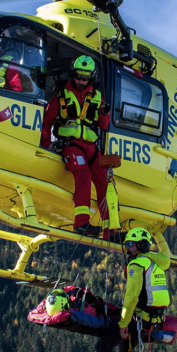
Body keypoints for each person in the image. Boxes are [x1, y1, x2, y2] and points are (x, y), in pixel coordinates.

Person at [79, 227, 172, 352]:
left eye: (130, 244)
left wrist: (123, 323)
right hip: (151, 322)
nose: (126, 248)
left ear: (140, 246)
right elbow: (167, 255)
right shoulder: (157, 262)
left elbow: (132, 296)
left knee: (103, 346)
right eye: (126, 244)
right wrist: (158, 233)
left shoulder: (137, 265)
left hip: (138, 320)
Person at [40, 55, 114, 236]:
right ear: (73, 74)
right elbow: (47, 122)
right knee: (84, 175)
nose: (81, 81)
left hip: (92, 147)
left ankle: (111, 230)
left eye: (85, 78)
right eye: (78, 76)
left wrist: (105, 113)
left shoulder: (97, 97)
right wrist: (44, 147)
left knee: (107, 184)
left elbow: (103, 126)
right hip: (71, 145)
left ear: (91, 78)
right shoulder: (61, 96)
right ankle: (81, 223)